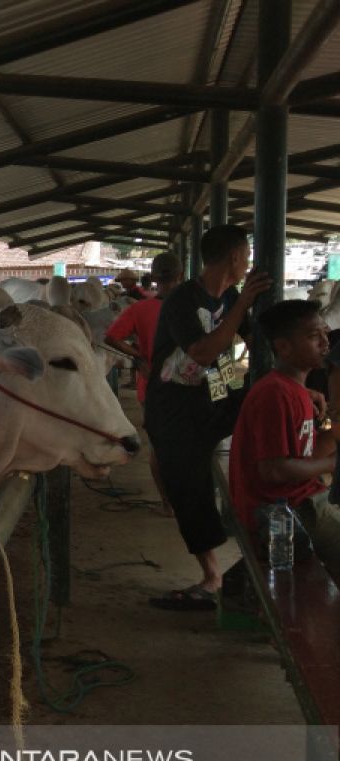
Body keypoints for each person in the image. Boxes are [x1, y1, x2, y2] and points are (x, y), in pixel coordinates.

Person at [145, 224, 272, 610]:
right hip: (174, 408)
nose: (248, 263)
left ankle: (244, 543)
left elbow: (248, 342)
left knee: (248, 435)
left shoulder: (231, 297)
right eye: (246, 255)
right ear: (234, 258)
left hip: (212, 393)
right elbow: (202, 352)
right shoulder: (184, 299)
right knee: (188, 485)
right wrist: (241, 305)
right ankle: (212, 575)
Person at [231, 300, 340, 584]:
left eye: (325, 333)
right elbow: (274, 471)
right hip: (282, 513)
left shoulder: (291, 389)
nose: (325, 342)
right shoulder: (275, 394)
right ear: (284, 347)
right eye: (313, 336)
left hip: (294, 502)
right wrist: (330, 463)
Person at [105, 252, 184, 515]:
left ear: (154, 277)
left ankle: (168, 503)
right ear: (181, 276)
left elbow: (111, 337)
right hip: (189, 387)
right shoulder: (192, 307)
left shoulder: (140, 309)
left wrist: (139, 357)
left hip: (150, 386)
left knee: (159, 446)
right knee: (189, 443)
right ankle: (188, 496)